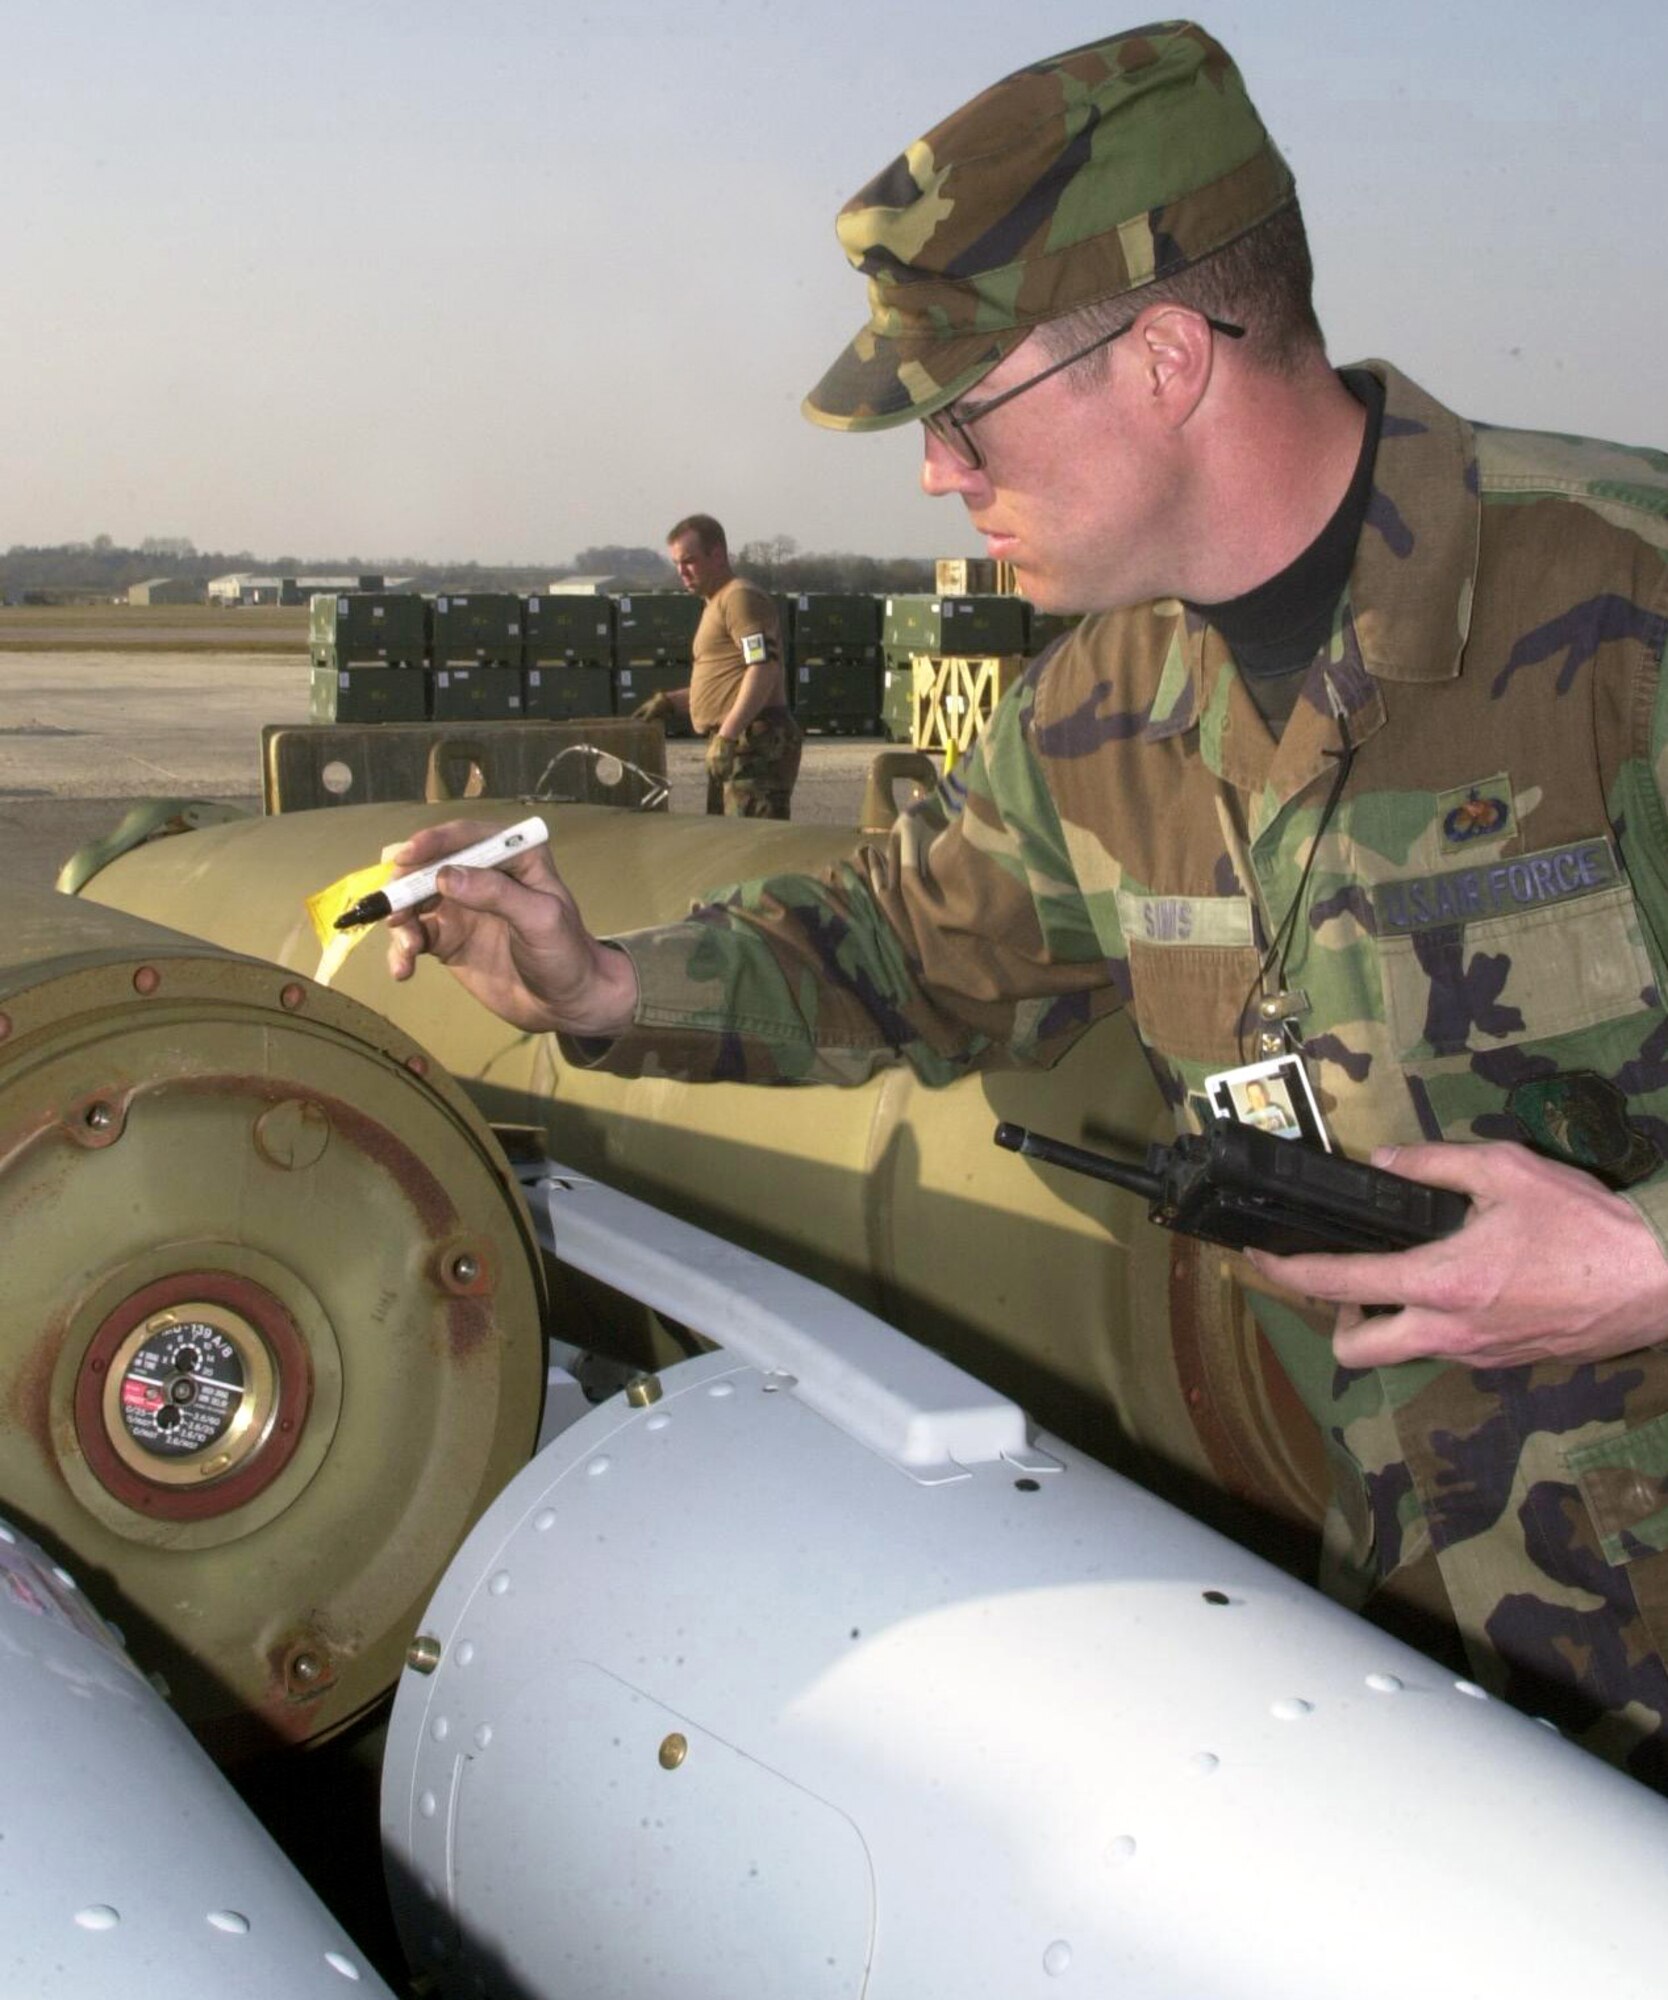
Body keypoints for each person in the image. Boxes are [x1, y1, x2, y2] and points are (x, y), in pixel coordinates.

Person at [387, 25, 1668, 1786]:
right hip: (1461, 1663)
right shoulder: (1095, 713)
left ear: (1159, 362)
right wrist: (594, 979)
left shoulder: (1616, 600)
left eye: (955, 413)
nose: (930, 474)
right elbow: (898, 954)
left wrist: (1646, 1261)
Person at [631, 513, 801, 818]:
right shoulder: (716, 603)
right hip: (739, 741)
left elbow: (763, 668)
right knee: (727, 846)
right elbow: (729, 681)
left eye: (689, 561)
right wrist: (671, 702)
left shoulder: (739, 599)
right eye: (677, 564)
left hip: (756, 742)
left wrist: (728, 734)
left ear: (718, 555)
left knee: (749, 850)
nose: (682, 571)